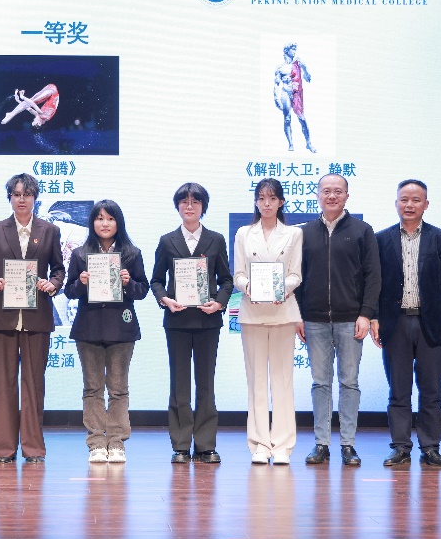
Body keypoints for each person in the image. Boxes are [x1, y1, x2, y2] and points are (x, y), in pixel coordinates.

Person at [0, 173, 65, 464]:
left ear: (35, 197)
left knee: (33, 384)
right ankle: (4, 449)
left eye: (27, 194)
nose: (22, 199)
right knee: (3, 384)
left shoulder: (50, 230)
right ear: (10, 198)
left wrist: (53, 284)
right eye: (16, 194)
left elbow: (59, 269)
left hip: (37, 317)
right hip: (2, 318)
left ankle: (33, 448)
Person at [371, 180, 441, 469]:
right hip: (395, 323)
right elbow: (374, 284)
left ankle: (430, 447)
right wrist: (374, 317)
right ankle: (400, 447)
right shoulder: (381, 239)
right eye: (404, 199)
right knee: (399, 390)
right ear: (396, 203)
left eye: (416, 200)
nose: (409, 205)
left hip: (430, 324)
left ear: (426, 204)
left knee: (431, 390)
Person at [296, 173, 380, 467]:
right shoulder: (304, 232)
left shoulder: (362, 230)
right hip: (314, 320)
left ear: (347, 195)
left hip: (350, 320)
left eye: (338, 191)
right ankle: (321, 443)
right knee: (320, 383)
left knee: (349, 382)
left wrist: (366, 314)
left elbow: (373, 276)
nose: (331, 196)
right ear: (318, 195)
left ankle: (348, 444)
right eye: (326, 191)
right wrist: (298, 315)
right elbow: (296, 278)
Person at [150, 182, 235, 464]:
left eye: (195, 202)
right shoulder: (167, 241)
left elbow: (226, 279)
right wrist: (165, 299)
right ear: (177, 206)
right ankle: (181, 445)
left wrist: (219, 303)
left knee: (206, 383)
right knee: (179, 384)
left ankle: (206, 445)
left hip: (208, 320)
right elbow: (156, 280)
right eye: (184, 202)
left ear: (203, 207)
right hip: (177, 320)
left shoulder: (216, 239)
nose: (189, 206)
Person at [63, 200, 150, 464]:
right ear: (92, 223)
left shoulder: (132, 254)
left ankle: (117, 442)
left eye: (110, 218)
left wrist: (128, 283)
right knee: (92, 388)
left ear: (118, 222)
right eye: (99, 218)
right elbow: (69, 291)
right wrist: (81, 283)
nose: (105, 223)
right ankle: (96, 443)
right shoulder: (80, 254)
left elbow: (142, 290)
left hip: (121, 329)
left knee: (118, 389)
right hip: (88, 329)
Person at [232, 178, 303, 465]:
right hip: (252, 313)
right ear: (256, 201)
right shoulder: (243, 233)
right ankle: (260, 444)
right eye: (261, 198)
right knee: (256, 381)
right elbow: (238, 274)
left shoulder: (294, 233)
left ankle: (283, 445)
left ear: (281, 202)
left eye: (272, 198)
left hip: (283, 312)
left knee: (283, 380)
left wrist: (281, 289)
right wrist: (248, 287)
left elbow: (296, 274)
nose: (266, 203)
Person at [273, 42, 315, 153]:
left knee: (302, 118)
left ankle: (308, 143)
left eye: (295, 49)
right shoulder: (280, 68)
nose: (294, 51)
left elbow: (308, 79)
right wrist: (276, 98)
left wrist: (304, 68)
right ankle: (290, 144)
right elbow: (276, 84)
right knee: (287, 119)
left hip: (296, 93)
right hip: (285, 93)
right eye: (293, 49)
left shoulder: (298, 64)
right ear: (287, 51)